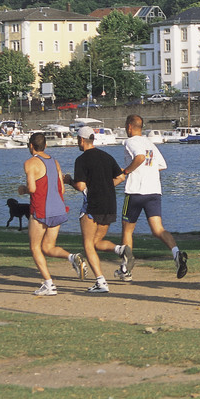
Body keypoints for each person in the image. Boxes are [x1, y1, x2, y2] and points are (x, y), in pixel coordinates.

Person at [116, 114, 188, 282]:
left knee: (127, 231)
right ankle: (176, 253)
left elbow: (140, 157)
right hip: (154, 192)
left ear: (129, 127)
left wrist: (125, 171)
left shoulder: (130, 142)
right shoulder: (150, 143)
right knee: (158, 230)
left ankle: (126, 269)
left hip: (135, 192)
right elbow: (162, 166)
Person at [17, 131, 82, 296]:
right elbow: (62, 188)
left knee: (34, 247)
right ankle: (72, 257)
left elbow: (32, 188)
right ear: (45, 146)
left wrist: (22, 190)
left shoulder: (30, 163)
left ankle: (49, 284)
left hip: (41, 209)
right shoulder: (55, 161)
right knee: (48, 247)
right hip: (58, 208)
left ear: (31, 146)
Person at [66, 125, 127, 294]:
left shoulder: (82, 159)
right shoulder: (107, 157)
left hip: (93, 204)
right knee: (95, 242)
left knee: (87, 244)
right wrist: (105, 186)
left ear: (81, 140)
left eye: (77, 140)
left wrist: (68, 180)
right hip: (110, 203)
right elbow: (121, 176)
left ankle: (101, 281)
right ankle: (119, 250)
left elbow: (80, 186)